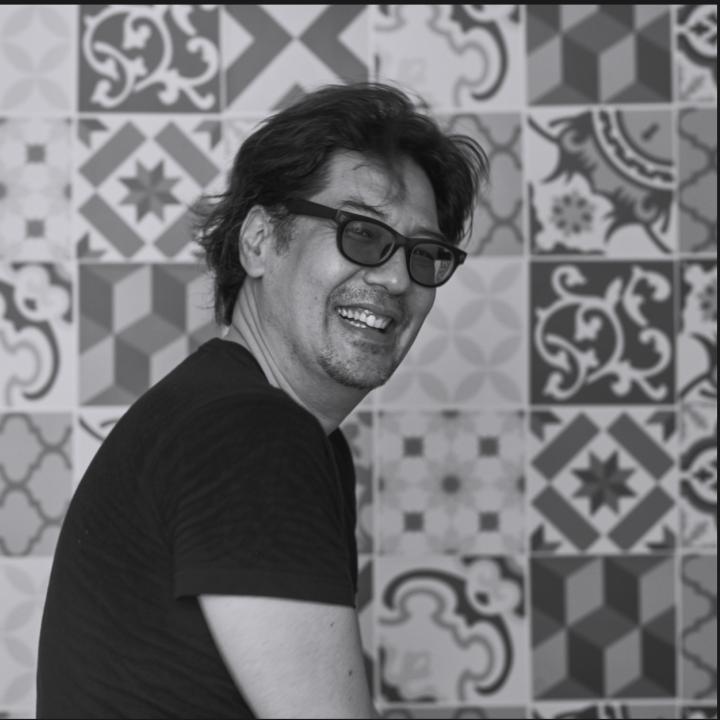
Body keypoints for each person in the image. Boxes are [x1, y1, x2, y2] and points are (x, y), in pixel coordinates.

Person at [36, 82, 488, 719]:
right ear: (258, 241)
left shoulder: (264, 426)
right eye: (362, 232)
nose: (396, 277)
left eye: (425, 254)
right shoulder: (250, 433)